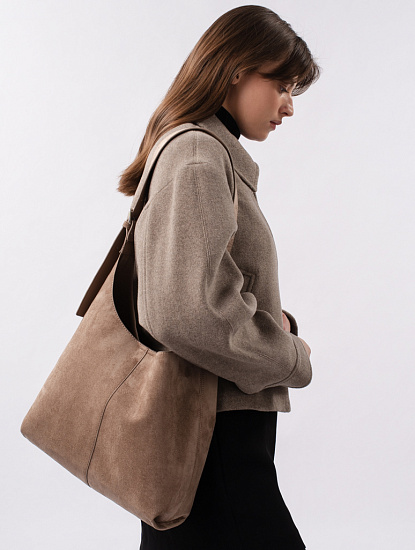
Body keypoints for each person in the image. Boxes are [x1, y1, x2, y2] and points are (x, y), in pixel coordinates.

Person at [118, 5, 320, 549]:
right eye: (281, 85)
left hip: (202, 433)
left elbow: (197, 292)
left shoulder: (198, 151)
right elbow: (184, 311)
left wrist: (269, 319)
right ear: (235, 69)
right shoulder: (199, 156)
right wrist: (289, 354)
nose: (289, 106)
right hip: (214, 440)